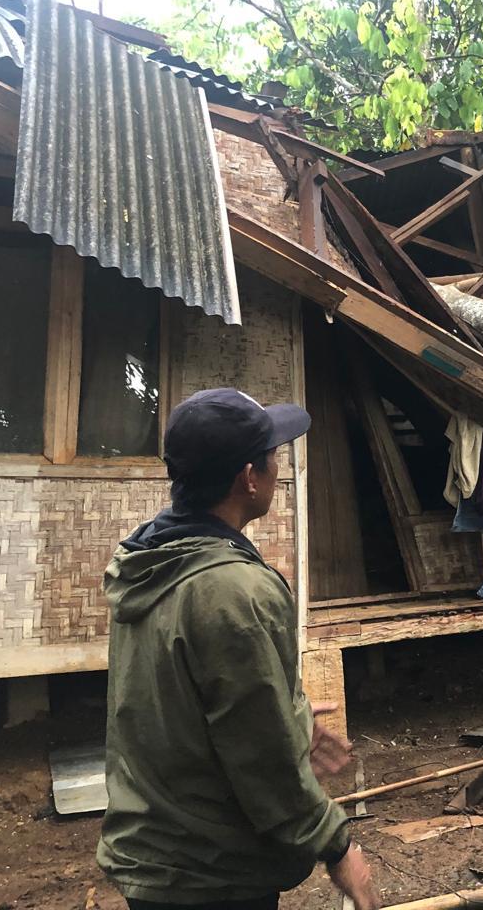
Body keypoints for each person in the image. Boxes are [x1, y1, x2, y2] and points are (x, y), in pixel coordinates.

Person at [97, 388, 380, 910]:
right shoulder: (231, 590)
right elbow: (261, 758)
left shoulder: (150, 562)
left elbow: (184, 705)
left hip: (156, 850)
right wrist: (337, 845)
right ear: (249, 478)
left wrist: (288, 717)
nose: (277, 470)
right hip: (213, 871)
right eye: (273, 458)